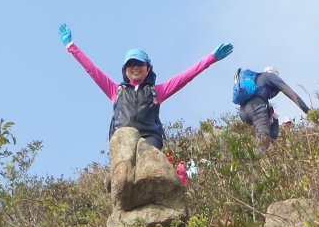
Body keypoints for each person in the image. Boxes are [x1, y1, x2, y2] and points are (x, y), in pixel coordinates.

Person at [60, 23, 233, 149]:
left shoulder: (156, 92)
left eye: (139, 64)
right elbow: (92, 70)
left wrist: (211, 58)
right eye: (131, 64)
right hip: (123, 137)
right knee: (123, 165)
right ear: (125, 70)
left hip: (150, 137)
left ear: (148, 68)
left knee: (148, 160)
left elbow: (186, 76)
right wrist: (71, 46)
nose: (135, 67)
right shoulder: (116, 91)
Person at [235, 66, 310, 143]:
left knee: (271, 121)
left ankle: (270, 145)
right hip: (256, 108)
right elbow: (290, 92)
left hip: (243, 112)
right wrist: (308, 112)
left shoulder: (257, 79)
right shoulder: (270, 76)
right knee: (263, 140)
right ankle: (268, 147)